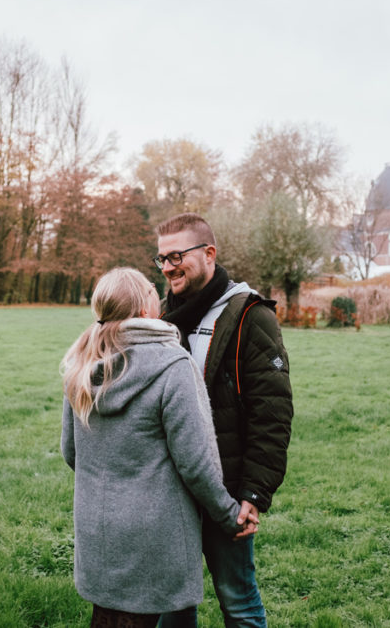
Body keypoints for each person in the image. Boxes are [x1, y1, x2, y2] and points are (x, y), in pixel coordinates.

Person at [60, 267, 257, 628]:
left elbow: (70, 451)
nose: (159, 291)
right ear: (144, 309)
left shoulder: (82, 365)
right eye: (152, 288)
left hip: (97, 530)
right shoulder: (173, 365)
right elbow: (197, 464)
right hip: (154, 537)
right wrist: (229, 514)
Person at [155, 213, 293, 628]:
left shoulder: (250, 316)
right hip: (171, 493)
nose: (167, 267)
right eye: (160, 259)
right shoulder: (160, 317)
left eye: (176, 256)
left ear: (209, 253)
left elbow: (272, 412)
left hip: (227, 491)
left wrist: (253, 492)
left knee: (239, 603)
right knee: (172, 605)